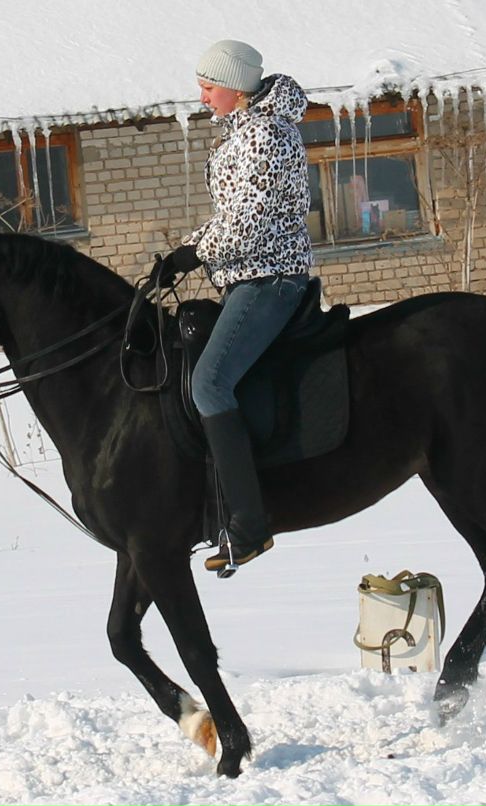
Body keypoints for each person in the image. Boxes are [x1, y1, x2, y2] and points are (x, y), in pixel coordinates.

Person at [159, 39, 313, 573]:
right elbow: (233, 217)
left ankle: (248, 525)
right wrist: (184, 252)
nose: (202, 97)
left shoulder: (266, 134)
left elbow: (248, 223)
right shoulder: (245, 131)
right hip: (245, 276)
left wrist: (194, 252)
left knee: (208, 383)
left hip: (269, 278)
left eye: (208, 87)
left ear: (236, 86)